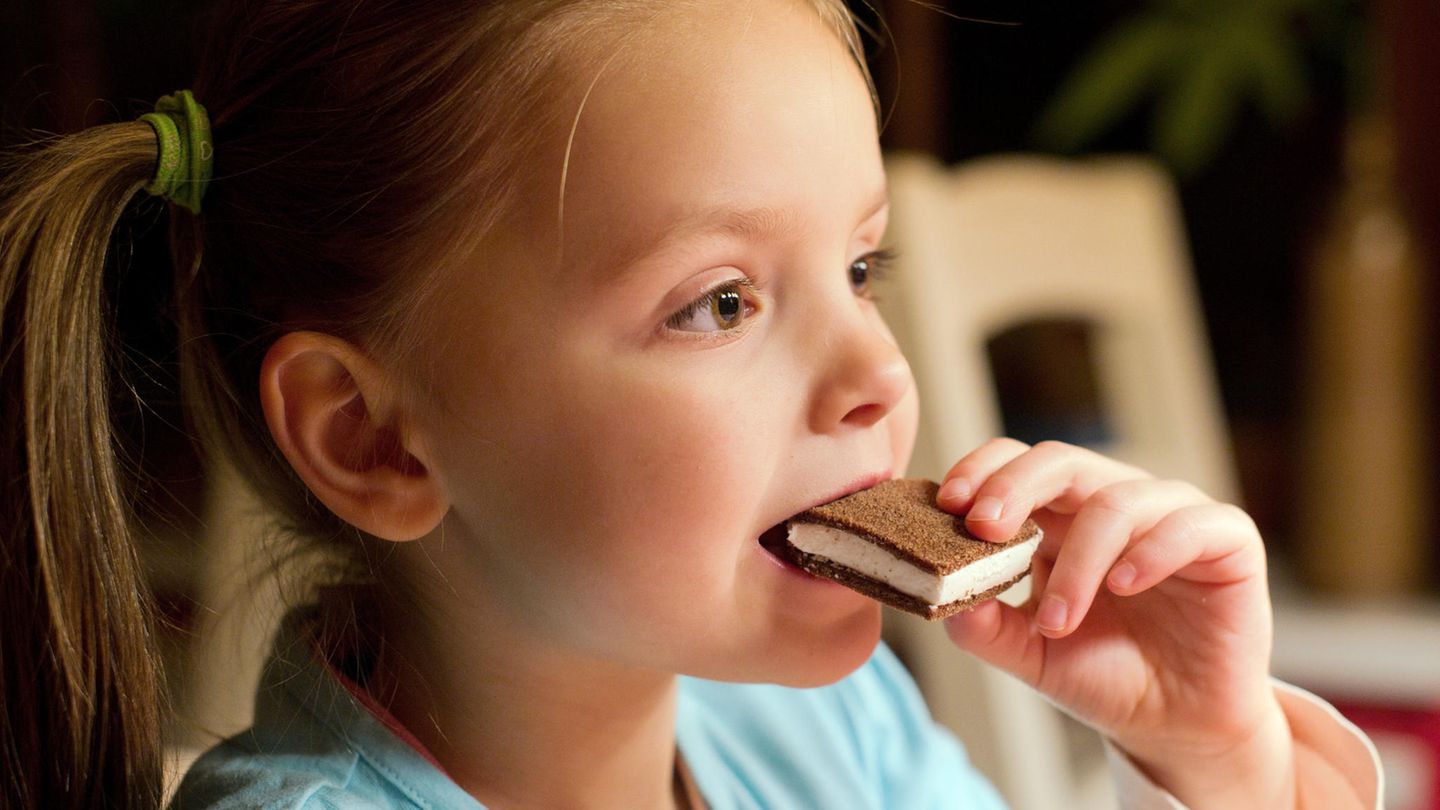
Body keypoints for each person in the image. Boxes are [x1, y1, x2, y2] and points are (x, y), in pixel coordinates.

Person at [0, 1, 1381, 808]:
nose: (880, 378)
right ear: (372, 435)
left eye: (859, 266)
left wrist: (1231, 757)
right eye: (718, 302)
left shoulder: (825, 740)